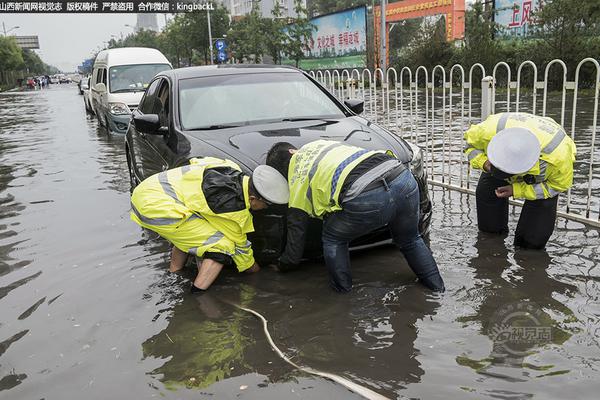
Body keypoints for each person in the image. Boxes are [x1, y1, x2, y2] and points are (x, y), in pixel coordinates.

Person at [266, 140, 445, 293]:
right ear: (292, 150)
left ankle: (343, 293)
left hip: (366, 195)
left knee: (333, 238)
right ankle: (438, 289)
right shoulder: (320, 144)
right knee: (411, 240)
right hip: (402, 178)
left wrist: (283, 264)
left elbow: (295, 242)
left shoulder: (296, 177)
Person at [130, 157, 289, 292]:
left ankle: (175, 273)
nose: (266, 209)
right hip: (154, 208)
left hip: (151, 187)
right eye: (266, 205)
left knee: (194, 233)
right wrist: (257, 273)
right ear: (254, 199)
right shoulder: (234, 209)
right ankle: (197, 294)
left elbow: (195, 160)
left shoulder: (229, 167)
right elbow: (241, 250)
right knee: (223, 246)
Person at [464, 112, 576, 249]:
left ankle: (527, 253)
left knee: (532, 241)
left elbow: (556, 186)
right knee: (488, 222)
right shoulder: (487, 130)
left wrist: (516, 190)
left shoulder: (558, 157)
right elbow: (469, 146)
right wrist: (485, 163)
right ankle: (491, 243)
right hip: (492, 167)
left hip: (543, 173)